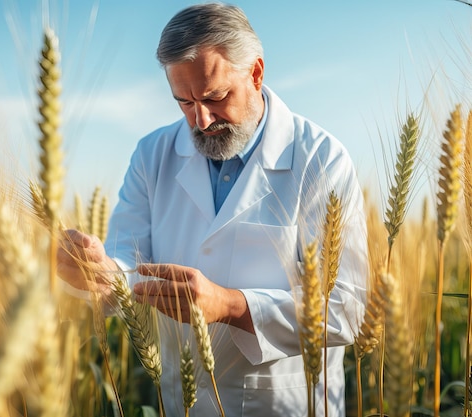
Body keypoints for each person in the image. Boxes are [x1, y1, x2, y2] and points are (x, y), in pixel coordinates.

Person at [57, 3, 368, 416]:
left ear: (256, 73)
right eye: (183, 101)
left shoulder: (322, 160)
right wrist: (99, 271)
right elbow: (128, 263)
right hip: (182, 402)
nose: (200, 120)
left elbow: (346, 309)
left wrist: (231, 305)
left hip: (287, 406)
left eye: (216, 96)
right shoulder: (152, 155)